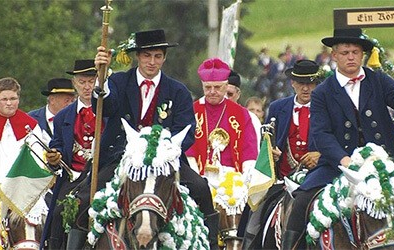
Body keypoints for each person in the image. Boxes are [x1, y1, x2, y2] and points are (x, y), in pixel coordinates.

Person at [71, 29, 218, 249]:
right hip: (121, 158)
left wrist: (163, 151)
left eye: (157, 56)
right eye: (147, 56)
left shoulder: (178, 91)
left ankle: (211, 245)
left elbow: (187, 131)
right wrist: (101, 81)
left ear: (164, 58)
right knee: (82, 198)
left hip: (165, 163)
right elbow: (106, 107)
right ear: (138, 56)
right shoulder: (119, 82)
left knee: (201, 188)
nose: (152, 62)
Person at [282, 28, 394, 249]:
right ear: (334, 55)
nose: (350, 57)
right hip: (341, 165)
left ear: (362, 55)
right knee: (301, 201)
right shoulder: (322, 92)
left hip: (384, 165)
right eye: (345, 52)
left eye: (355, 52)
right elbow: (321, 134)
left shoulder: (379, 81)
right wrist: (345, 161)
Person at [243, 59, 323, 249]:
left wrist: (320, 154)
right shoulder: (278, 107)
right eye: (301, 83)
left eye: (310, 83)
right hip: (283, 179)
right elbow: (269, 141)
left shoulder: (326, 107)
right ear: (293, 83)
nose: (306, 88)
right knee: (255, 213)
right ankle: (246, 244)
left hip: (317, 178)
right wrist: (272, 154)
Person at [41, 59, 97, 249]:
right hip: (73, 178)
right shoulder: (62, 117)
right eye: (82, 82)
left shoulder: (109, 111)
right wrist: (54, 158)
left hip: (103, 176)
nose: (87, 87)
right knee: (57, 213)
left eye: (91, 81)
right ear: (74, 83)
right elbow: (56, 149)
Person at [185, 58, 258, 181]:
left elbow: (249, 150)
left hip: (232, 177)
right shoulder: (192, 111)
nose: (212, 92)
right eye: (208, 87)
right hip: (198, 175)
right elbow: (187, 149)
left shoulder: (241, 114)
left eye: (217, 87)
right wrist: (196, 178)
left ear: (225, 87)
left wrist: (244, 180)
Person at [0, 77, 44, 191]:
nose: (9, 103)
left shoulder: (31, 126)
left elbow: (38, 158)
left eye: (13, 98)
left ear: (18, 99)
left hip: (24, 187)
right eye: (4, 99)